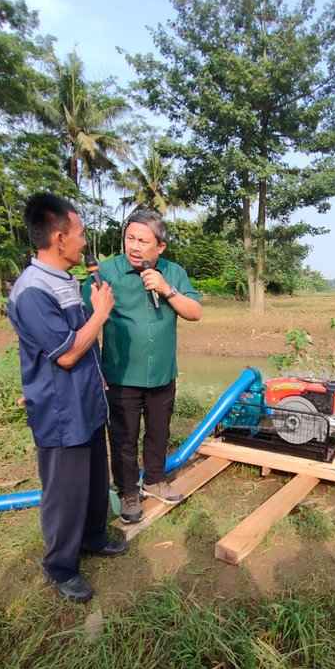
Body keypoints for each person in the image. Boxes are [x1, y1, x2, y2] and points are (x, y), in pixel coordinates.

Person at [8, 193, 128, 604]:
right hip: (61, 411)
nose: (83, 242)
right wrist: (101, 313)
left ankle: (94, 536)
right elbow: (67, 353)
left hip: (87, 401)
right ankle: (61, 565)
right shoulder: (32, 291)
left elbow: (82, 345)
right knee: (64, 491)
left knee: (95, 479)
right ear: (59, 238)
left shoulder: (64, 280)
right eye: (79, 234)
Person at [83, 211, 202, 525]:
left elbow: (195, 312)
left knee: (159, 433)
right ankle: (127, 491)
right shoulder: (106, 272)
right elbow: (81, 318)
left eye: (143, 241)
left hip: (162, 372)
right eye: (130, 239)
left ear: (160, 248)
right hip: (121, 374)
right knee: (123, 437)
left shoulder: (173, 273)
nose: (134, 247)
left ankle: (154, 479)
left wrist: (166, 289)